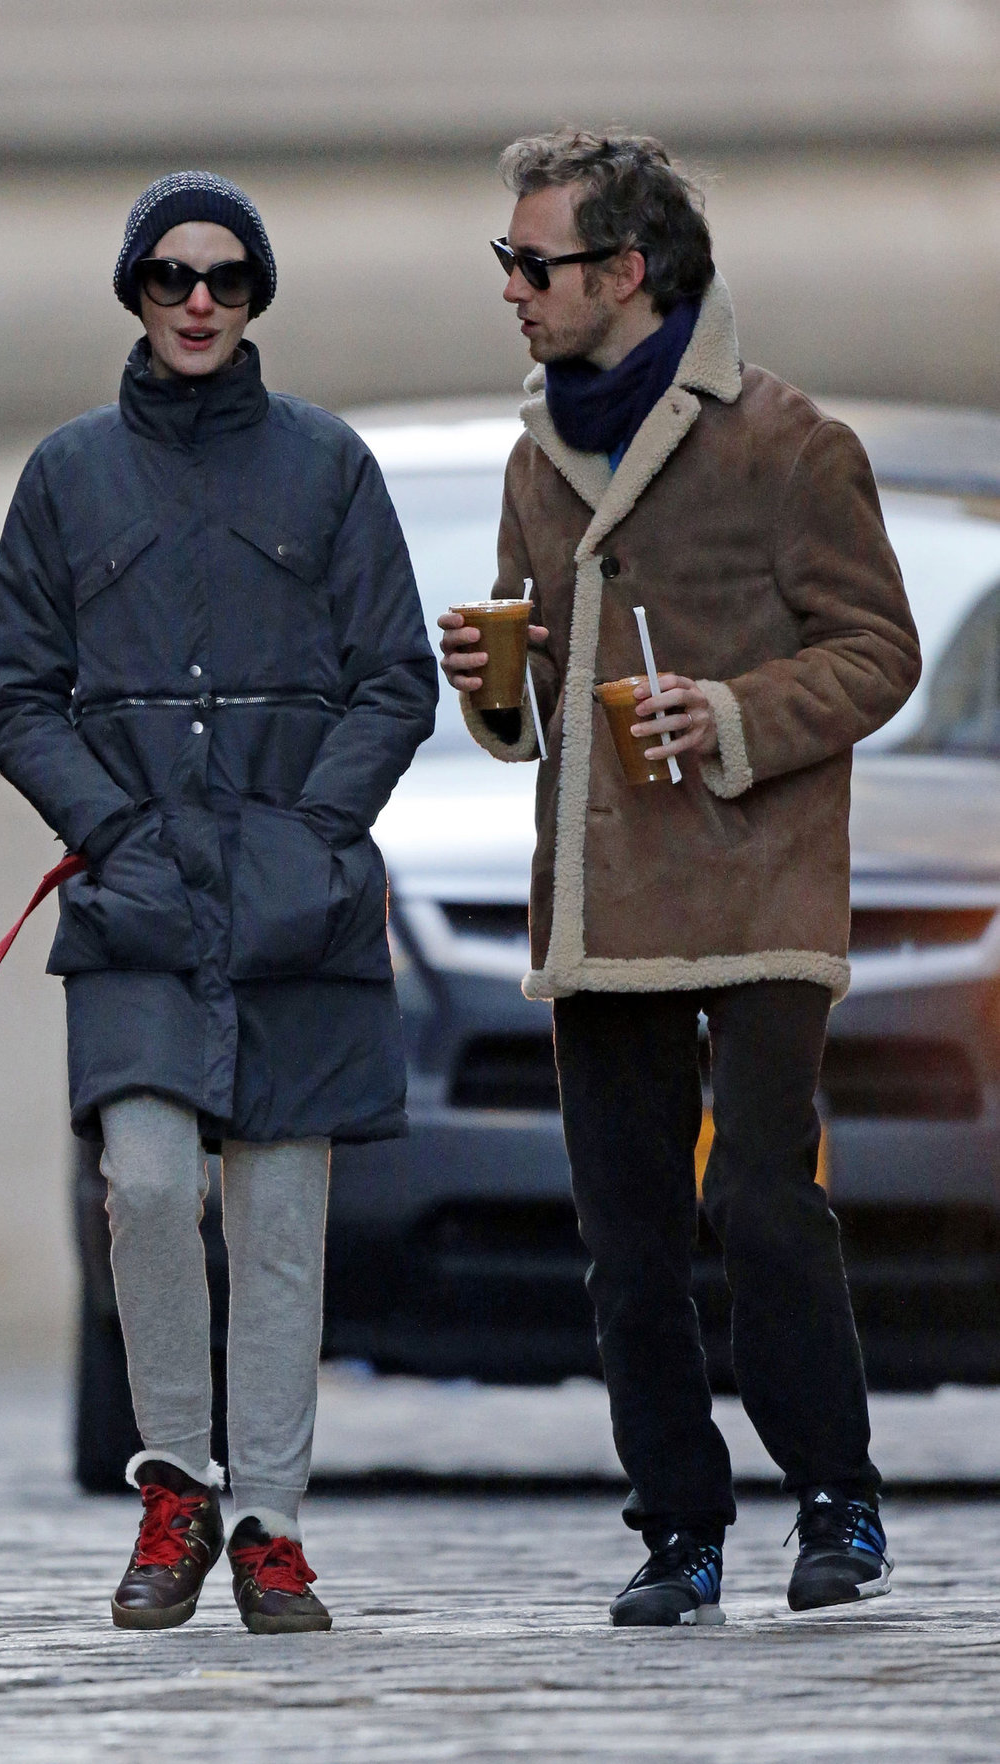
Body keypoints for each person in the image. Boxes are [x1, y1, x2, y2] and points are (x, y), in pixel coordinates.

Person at [439, 131, 920, 1626]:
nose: (512, 289)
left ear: (626, 273)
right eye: (506, 263)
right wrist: (493, 683)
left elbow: (878, 652)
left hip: (761, 882)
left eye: (536, 264)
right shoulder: (536, 454)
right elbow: (532, 694)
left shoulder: (790, 443)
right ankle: (678, 1527)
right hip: (601, 898)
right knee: (627, 1235)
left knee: (768, 1206)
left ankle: (837, 1502)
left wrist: (726, 716)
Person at [0, 171, 436, 1634]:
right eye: (171, 276)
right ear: (134, 291)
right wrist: (110, 825)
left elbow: (396, 678)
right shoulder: (66, 473)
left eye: (226, 279)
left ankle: (271, 1526)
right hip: (141, 901)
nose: (197, 301)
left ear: (255, 298)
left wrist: (311, 830)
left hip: (292, 900)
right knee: (152, 1187)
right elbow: (16, 694)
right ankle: (175, 1487)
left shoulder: (330, 465)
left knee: (286, 1219)